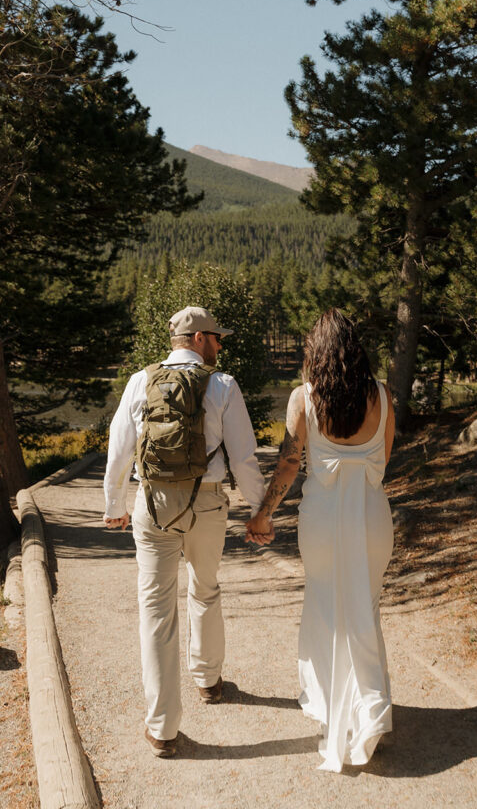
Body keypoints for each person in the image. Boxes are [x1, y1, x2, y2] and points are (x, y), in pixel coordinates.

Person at [104, 305, 266, 758]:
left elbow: (119, 448)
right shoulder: (223, 385)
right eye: (216, 336)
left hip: (152, 504)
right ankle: (209, 681)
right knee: (206, 589)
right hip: (208, 502)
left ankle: (162, 729)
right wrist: (260, 510)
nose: (220, 344)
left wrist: (114, 505)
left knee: (156, 611)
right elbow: (245, 458)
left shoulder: (140, 380)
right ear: (198, 339)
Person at [246, 308, 395, 773]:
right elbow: (381, 464)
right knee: (364, 609)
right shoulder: (384, 397)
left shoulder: (302, 399)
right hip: (371, 516)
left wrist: (263, 515)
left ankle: (334, 714)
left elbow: (289, 464)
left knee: (326, 608)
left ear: (317, 353)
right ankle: (370, 714)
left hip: (323, 517)